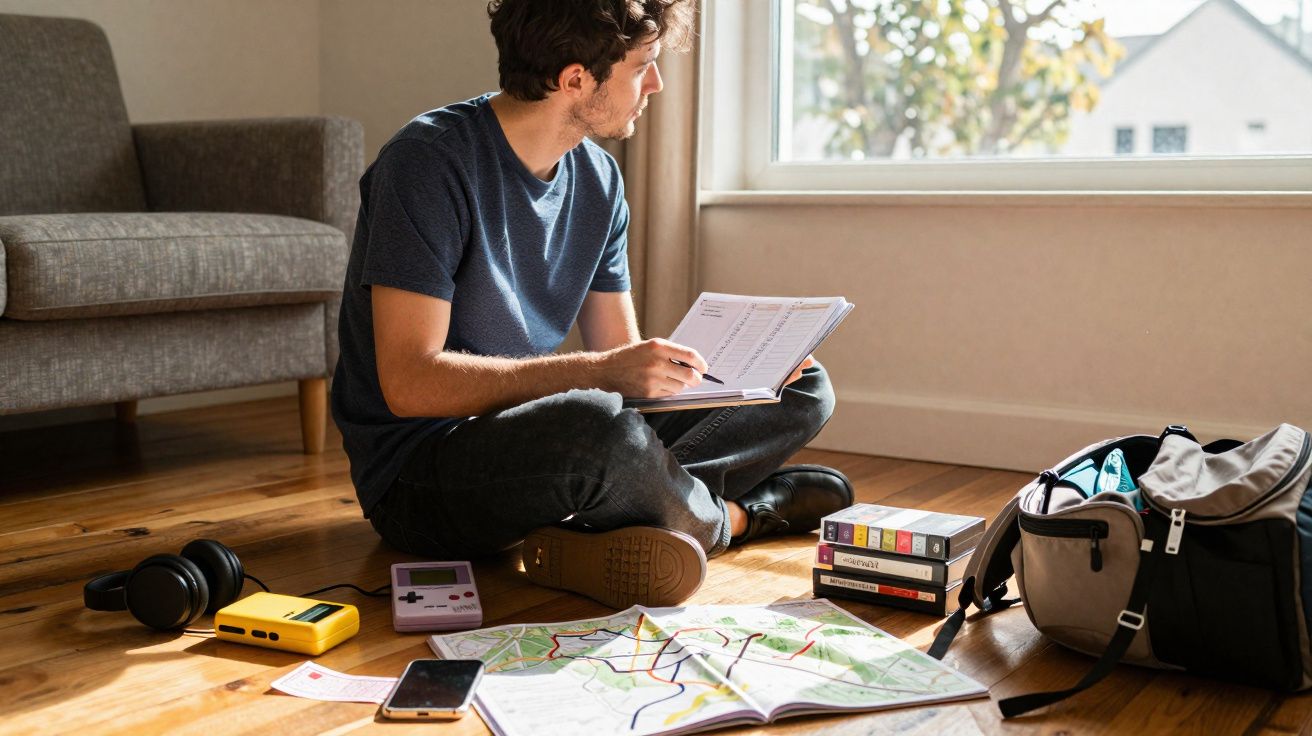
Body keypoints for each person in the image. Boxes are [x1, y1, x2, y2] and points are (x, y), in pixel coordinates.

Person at [331, 0, 853, 610]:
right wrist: (602, 375)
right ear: (575, 78)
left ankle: (618, 514)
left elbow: (622, 369)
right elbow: (410, 384)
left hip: (543, 439)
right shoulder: (426, 163)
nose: (655, 85)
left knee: (804, 386)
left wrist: (737, 377)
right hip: (420, 476)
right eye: (643, 66)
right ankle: (733, 520)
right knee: (596, 429)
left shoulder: (599, 179)